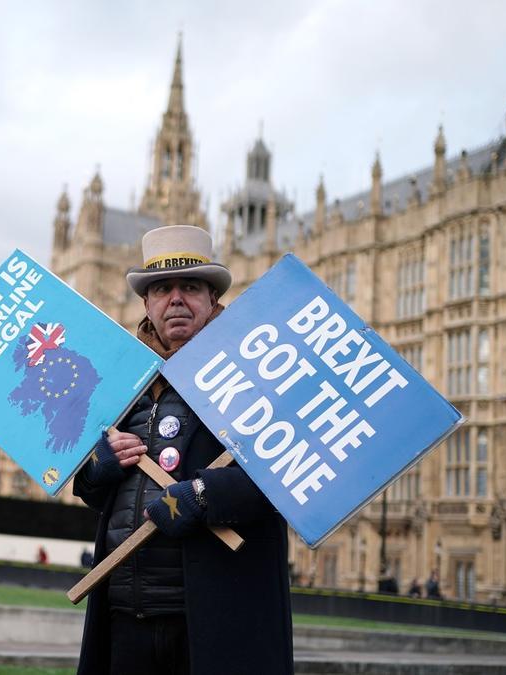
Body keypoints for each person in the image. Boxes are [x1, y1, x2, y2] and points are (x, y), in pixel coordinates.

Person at [72, 225, 294, 675]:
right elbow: (93, 490)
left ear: (212, 301)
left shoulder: (255, 372)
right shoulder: (121, 381)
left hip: (209, 620)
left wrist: (205, 495)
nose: (176, 298)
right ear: (146, 304)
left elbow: (290, 472)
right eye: (162, 289)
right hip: (124, 614)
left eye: (190, 286)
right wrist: (99, 467)